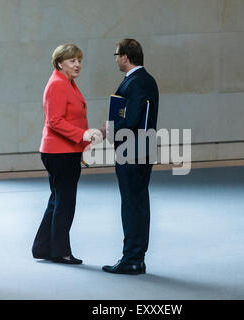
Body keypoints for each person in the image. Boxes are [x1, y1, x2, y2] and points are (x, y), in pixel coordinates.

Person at [32, 44, 102, 264]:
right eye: (72, 61)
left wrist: (80, 145)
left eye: (79, 60)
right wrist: (83, 136)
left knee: (57, 200)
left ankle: (43, 247)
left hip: (64, 151)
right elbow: (54, 121)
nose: (78, 65)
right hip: (59, 152)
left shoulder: (67, 82)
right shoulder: (57, 85)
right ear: (60, 63)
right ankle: (60, 251)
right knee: (65, 202)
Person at [102, 39, 159, 275]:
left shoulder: (137, 82)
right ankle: (136, 257)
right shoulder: (144, 80)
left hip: (133, 150)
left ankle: (132, 258)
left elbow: (133, 119)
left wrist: (110, 129)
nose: (115, 59)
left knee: (132, 205)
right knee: (137, 203)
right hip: (139, 149)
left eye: (116, 55)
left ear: (125, 57)